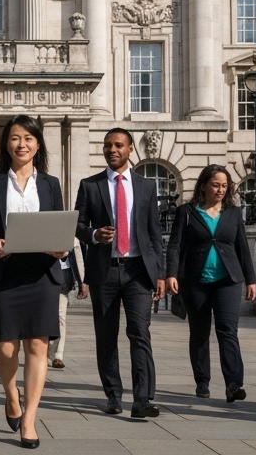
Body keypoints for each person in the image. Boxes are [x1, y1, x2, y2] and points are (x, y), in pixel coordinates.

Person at [0, 115, 70, 449]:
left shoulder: (50, 184)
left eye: (28, 138)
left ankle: (29, 419)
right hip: (5, 272)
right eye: (15, 138)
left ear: (38, 144)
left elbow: (60, 227)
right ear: (6, 144)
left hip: (41, 273)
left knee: (38, 346)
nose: (22, 144)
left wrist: (61, 248)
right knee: (6, 348)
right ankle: (11, 396)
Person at [75, 128, 167, 419]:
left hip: (138, 272)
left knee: (140, 333)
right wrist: (93, 234)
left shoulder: (145, 186)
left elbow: (155, 233)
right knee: (106, 336)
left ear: (130, 149)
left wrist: (161, 274)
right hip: (104, 272)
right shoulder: (90, 185)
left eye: (117, 145)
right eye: (107, 145)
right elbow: (76, 225)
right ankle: (113, 395)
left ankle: (143, 398)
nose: (111, 149)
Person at [165, 165, 256, 403]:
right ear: (204, 185)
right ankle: (202, 381)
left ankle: (234, 384)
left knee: (228, 331)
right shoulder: (186, 211)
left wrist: (251, 280)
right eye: (216, 184)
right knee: (199, 333)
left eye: (224, 186)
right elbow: (175, 245)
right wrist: (171, 274)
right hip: (195, 280)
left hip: (228, 280)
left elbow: (242, 248)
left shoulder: (233, 213)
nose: (220, 190)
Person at [48, 237, 86, 370]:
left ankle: (58, 355)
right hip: (43, 274)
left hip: (63, 275)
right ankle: (45, 352)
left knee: (60, 317)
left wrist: (82, 282)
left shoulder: (70, 227)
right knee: (44, 316)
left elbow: (78, 254)